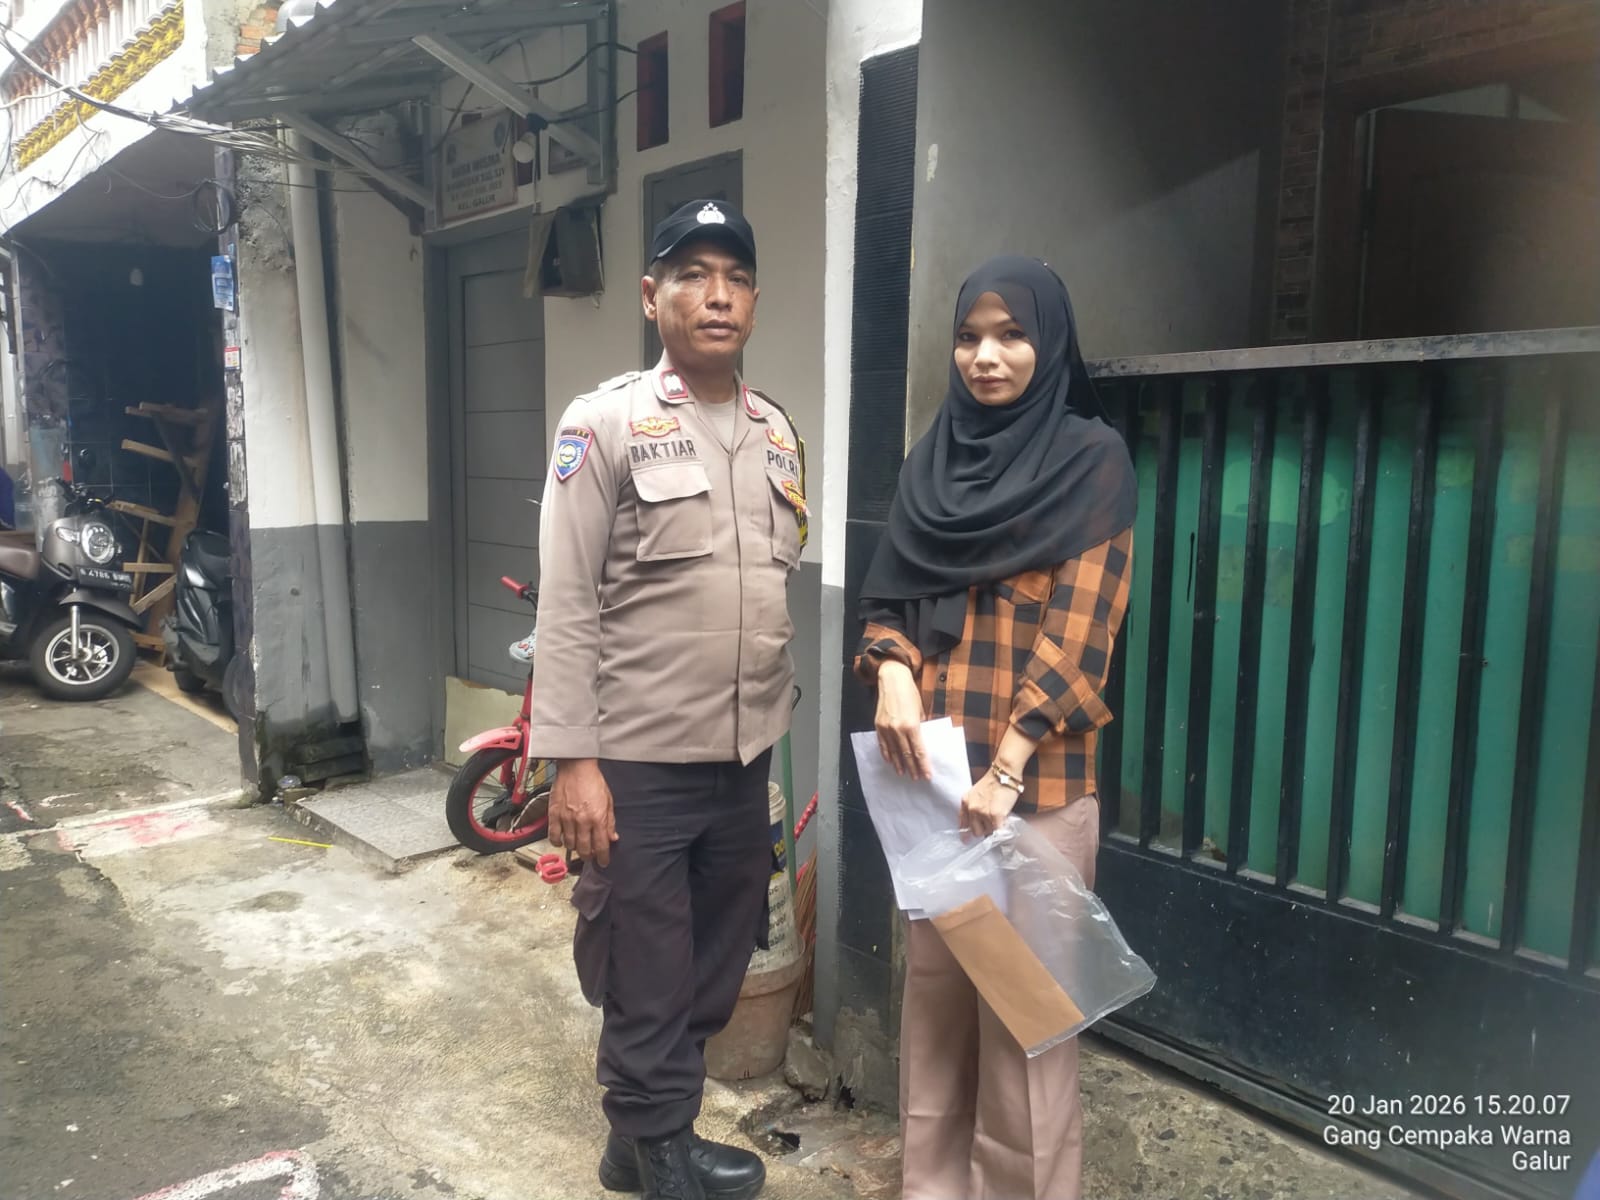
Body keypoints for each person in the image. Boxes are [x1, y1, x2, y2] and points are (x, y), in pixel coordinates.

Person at [526, 199, 806, 1200]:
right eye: (691, 275)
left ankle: (635, 1139)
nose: (715, 295)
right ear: (652, 298)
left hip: (743, 754)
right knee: (645, 959)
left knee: (718, 956)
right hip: (636, 760)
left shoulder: (777, 433)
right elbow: (567, 600)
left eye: (735, 277)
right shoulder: (603, 423)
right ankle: (660, 1150)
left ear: (755, 301)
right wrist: (574, 760)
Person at [854, 256, 1137, 1200]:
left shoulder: (1092, 462)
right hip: (934, 790)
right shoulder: (933, 463)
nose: (987, 356)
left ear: (1049, 344)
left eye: (1012, 334)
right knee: (935, 1010)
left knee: (1027, 1027)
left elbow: (1082, 638)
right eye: (970, 336)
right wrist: (893, 667)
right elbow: (893, 596)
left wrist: (1008, 766)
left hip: (1034, 796)